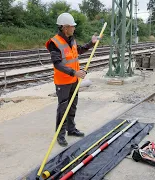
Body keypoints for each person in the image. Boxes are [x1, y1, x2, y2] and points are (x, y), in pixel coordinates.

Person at [45, 12, 99, 147]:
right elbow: (57, 63)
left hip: (74, 80)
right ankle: (60, 135)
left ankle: (71, 129)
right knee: (63, 108)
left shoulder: (72, 39)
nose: (74, 28)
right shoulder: (54, 43)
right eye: (72, 26)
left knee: (73, 105)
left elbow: (78, 51)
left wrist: (91, 44)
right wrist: (74, 72)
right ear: (65, 27)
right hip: (63, 82)